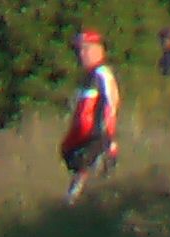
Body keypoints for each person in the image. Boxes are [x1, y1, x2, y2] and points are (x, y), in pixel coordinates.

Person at [61, 29, 121, 204]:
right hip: (84, 143)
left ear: (99, 49)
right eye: (79, 50)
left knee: (86, 196)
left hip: (98, 143)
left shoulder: (102, 74)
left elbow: (111, 105)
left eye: (86, 49)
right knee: (80, 197)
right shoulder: (87, 78)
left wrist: (104, 139)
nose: (82, 54)